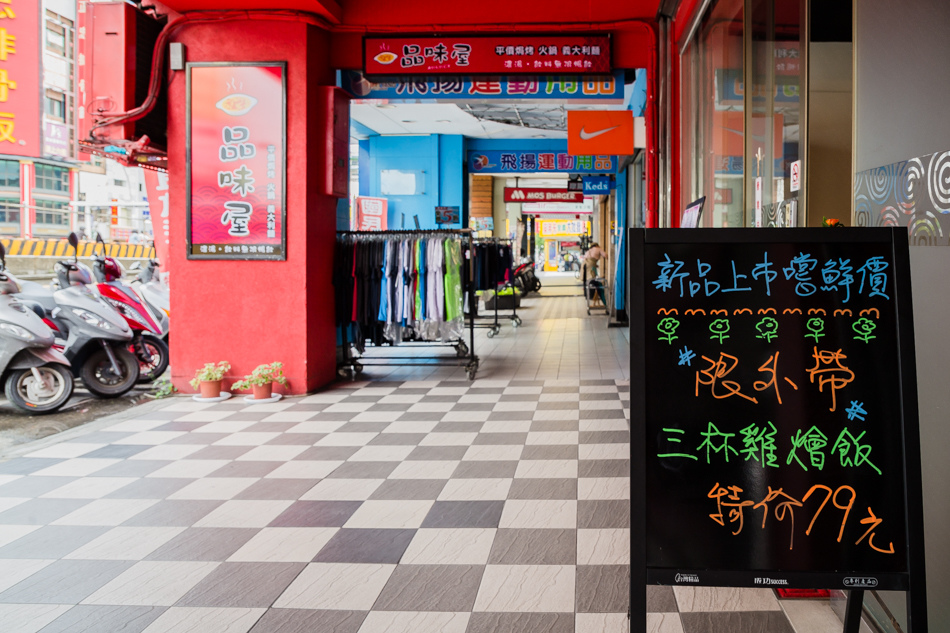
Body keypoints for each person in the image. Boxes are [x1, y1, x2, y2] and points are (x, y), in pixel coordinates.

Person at [584, 242, 607, 306]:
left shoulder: (588, 251)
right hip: (591, 271)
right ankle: (605, 303)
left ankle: (588, 299)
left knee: (589, 284)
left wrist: (595, 265)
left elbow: (589, 261)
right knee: (599, 285)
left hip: (585, 270)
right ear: (597, 245)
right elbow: (605, 255)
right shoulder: (598, 249)